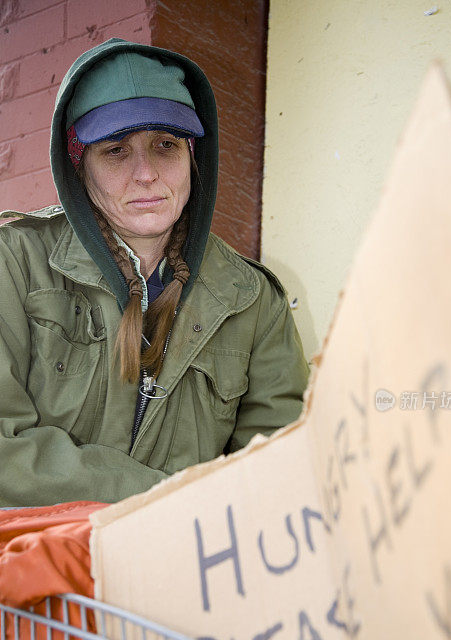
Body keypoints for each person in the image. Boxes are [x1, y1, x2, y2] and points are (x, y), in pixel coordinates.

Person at [0, 38, 309, 507]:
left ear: (193, 158)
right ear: (79, 166)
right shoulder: (15, 263)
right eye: (116, 151)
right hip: (37, 568)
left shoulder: (252, 300)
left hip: (183, 567)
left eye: (165, 145)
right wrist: (159, 498)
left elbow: (280, 471)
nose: (146, 174)